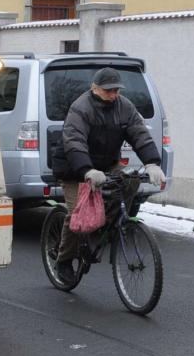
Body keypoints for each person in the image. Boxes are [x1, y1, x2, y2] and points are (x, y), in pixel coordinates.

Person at [51, 67, 166, 282]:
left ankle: (105, 225)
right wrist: (87, 170)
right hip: (75, 167)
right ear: (94, 89)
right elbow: (74, 142)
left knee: (129, 182)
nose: (113, 95)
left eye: (116, 90)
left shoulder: (124, 107)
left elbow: (139, 134)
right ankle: (64, 260)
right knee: (78, 212)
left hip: (105, 164)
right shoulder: (81, 108)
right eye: (108, 91)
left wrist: (152, 163)